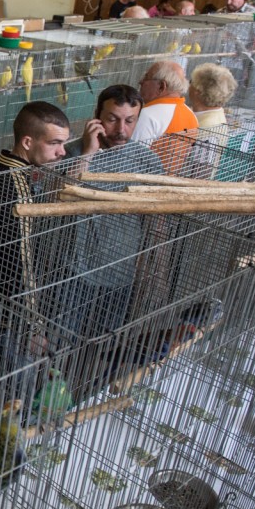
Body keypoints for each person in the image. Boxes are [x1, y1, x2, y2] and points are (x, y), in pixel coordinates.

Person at [56, 86, 163, 399]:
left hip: (121, 272)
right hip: (74, 271)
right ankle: (48, 400)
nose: (121, 130)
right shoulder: (71, 153)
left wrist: (155, 268)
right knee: (60, 342)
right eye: (113, 119)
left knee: (102, 343)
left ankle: (83, 398)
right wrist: (88, 153)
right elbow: (60, 195)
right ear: (96, 118)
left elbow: (156, 222)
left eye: (130, 120)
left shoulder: (145, 159)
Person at [0, 102, 69, 301]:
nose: (62, 152)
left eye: (63, 143)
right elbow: (24, 256)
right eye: (54, 143)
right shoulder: (19, 187)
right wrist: (31, 309)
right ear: (27, 142)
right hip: (10, 297)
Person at [131, 60, 199, 173]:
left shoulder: (148, 114)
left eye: (146, 77)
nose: (140, 81)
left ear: (161, 86)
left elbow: (129, 158)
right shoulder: (191, 115)